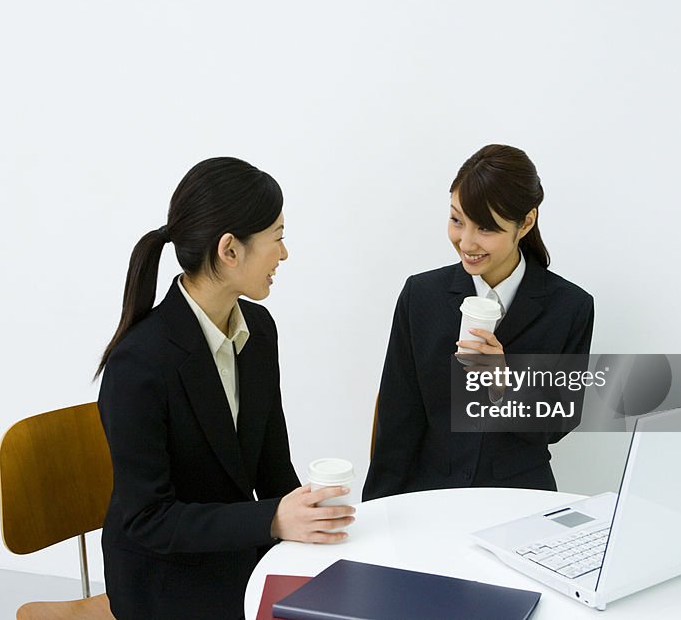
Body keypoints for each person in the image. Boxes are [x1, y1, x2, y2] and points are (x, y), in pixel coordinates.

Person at [95, 157, 355, 619]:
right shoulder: (138, 364)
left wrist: (314, 518)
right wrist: (272, 519)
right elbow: (149, 520)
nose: (284, 254)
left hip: (236, 553)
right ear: (230, 250)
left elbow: (272, 469)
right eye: (277, 238)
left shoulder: (258, 329)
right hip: (163, 577)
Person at [363, 144, 594, 501]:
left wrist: (505, 383)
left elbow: (558, 425)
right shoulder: (421, 296)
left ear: (526, 222)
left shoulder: (569, 307)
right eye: (457, 220)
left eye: (485, 227)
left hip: (521, 500)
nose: (466, 242)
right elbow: (398, 423)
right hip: (430, 498)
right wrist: (376, 518)